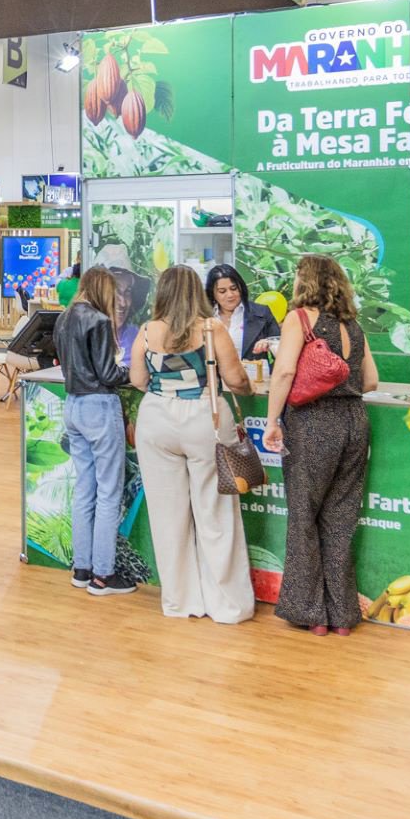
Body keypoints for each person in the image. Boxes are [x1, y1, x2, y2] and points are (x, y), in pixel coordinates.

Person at [128, 264, 256, 624]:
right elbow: (235, 379)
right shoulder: (212, 328)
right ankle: (227, 606)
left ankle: (180, 601)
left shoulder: (147, 330)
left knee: (168, 517)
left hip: (156, 420)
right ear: (198, 292)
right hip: (204, 418)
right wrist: (247, 388)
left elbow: (137, 379)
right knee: (215, 513)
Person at [264, 255, 380, 636]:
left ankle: (312, 613)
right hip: (355, 422)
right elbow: (371, 381)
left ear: (306, 282)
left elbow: (284, 371)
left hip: (313, 423)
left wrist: (271, 421)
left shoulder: (299, 319)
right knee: (340, 519)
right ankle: (343, 615)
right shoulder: (354, 325)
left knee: (304, 516)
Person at [54, 268, 132, 595]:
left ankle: (82, 569)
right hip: (100, 407)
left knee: (84, 489)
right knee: (109, 492)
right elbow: (108, 373)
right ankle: (103, 574)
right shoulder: (99, 321)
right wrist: (130, 371)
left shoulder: (64, 318)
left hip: (73, 405)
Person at [207, 264, 279, 363]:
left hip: (254, 372)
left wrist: (268, 343)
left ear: (241, 287)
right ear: (212, 293)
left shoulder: (262, 312)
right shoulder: (205, 317)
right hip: (215, 372)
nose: (230, 295)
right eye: (222, 291)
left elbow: (281, 346)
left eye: (234, 288)